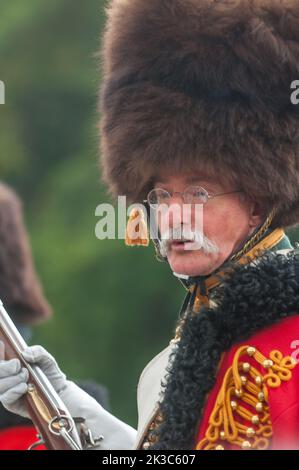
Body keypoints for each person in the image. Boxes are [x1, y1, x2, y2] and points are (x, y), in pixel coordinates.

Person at [1, 0, 299, 450]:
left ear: (257, 202)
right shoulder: (188, 345)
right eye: (160, 195)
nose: (172, 215)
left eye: (198, 192)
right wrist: (71, 407)